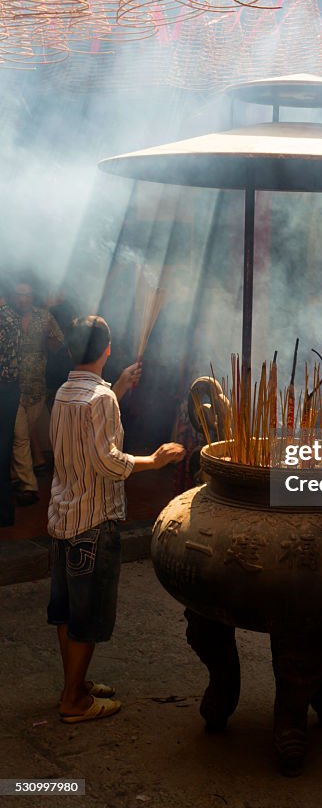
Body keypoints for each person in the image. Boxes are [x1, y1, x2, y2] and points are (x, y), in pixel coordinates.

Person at [47, 315, 185, 724]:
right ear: (107, 350)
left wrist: (120, 386)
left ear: (72, 350)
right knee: (86, 620)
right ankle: (74, 700)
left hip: (63, 519)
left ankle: (75, 684)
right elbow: (107, 460)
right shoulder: (100, 400)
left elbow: (89, 433)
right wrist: (154, 461)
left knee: (68, 613)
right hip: (93, 522)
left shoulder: (65, 393)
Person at [11, 278, 64, 506]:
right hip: (11, 390)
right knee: (20, 438)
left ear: (32, 297)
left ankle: (16, 475)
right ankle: (28, 486)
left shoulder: (44, 317)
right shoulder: (6, 319)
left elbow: (57, 346)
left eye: (27, 295)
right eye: (19, 295)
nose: (23, 299)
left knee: (31, 435)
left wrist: (48, 336)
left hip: (36, 389)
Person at [0, 283, 21, 527]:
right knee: (4, 452)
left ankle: (4, 512)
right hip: (10, 391)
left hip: (3, 390)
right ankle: (5, 513)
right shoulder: (13, 317)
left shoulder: (4, 319)